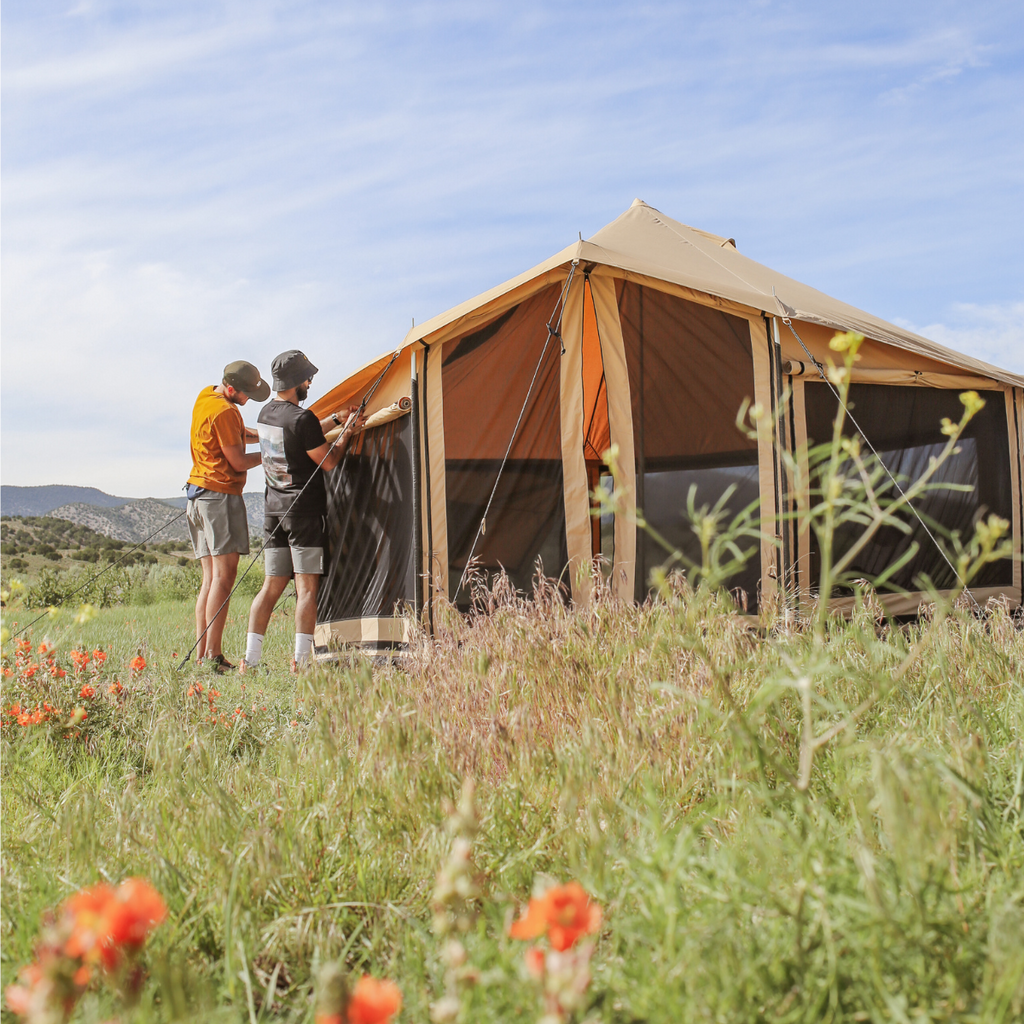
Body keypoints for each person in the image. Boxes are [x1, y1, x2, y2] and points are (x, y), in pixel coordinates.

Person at [240, 350, 364, 673]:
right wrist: (349, 431)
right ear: (297, 382)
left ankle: (250, 661)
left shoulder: (265, 414)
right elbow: (329, 461)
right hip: (304, 515)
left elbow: (298, 434)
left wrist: (335, 419)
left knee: (270, 587)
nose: (309, 383)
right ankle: (302, 663)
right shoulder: (303, 418)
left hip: (273, 514)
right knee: (306, 589)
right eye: (307, 378)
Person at [186, 360, 270, 672]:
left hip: (197, 495)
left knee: (210, 579)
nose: (249, 399)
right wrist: (274, 451)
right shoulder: (226, 410)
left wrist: (266, 435)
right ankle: (213, 657)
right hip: (219, 496)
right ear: (232, 388)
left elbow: (236, 434)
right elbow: (237, 461)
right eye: (247, 394)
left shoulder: (206, 396)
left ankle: (203, 655)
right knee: (224, 577)